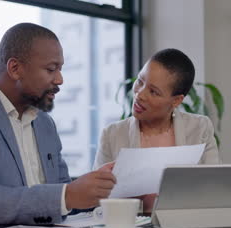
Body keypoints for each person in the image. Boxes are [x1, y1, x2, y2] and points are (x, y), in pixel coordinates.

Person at [0, 23, 116, 228]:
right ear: (15, 68)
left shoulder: (44, 123)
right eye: (51, 69)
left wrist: (95, 188)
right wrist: (68, 195)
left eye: (60, 69)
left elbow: (65, 198)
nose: (60, 79)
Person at [93, 48, 220, 212]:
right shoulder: (112, 134)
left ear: (176, 101)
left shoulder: (199, 128)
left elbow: (214, 189)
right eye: (140, 81)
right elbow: (95, 200)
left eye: (153, 91)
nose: (140, 94)